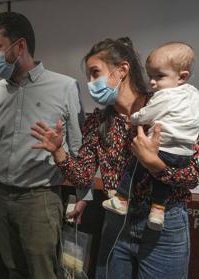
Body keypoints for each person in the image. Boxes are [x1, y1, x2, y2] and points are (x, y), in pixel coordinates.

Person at [31, 37, 199, 279]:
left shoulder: (168, 105)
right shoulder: (98, 121)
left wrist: (156, 165)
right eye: (88, 76)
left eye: (95, 73)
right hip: (116, 222)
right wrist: (59, 152)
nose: (90, 83)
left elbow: (192, 176)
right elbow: (83, 176)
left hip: (163, 226)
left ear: (122, 70)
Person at [0, 12, 91, 279]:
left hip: (39, 199)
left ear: (20, 46)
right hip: (1, 198)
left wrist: (84, 196)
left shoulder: (64, 87)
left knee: (44, 273)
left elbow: (79, 146)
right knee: (13, 270)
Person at [103, 41, 199, 231]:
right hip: (182, 151)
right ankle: (158, 210)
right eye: (151, 76)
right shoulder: (193, 95)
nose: (153, 81)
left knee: (134, 168)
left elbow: (192, 178)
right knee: (157, 184)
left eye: (159, 76)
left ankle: (122, 198)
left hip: (170, 224)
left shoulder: (161, 97)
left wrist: (154, 164)